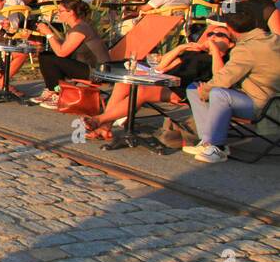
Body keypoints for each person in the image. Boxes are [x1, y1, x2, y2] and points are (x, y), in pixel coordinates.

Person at [83, 23, 236, 141]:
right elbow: (161, 66)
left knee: (142, 92)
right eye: (210, 33)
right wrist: (181, 48)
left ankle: (99, 120)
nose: (213, 37)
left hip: (187, 90)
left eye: (220, 34)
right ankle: (105, 127)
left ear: (230, 44)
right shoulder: (194, 52)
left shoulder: (227, 59)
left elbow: (220, 76)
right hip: (168, 82)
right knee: (125, 83)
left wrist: (215, 50)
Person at [182, 12, 280, 163]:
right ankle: (207, 142)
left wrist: (206, 92)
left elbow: (224, 79)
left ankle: (217, 147)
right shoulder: (272, 39)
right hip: (264, 97)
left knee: (218, 93)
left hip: (264, 104)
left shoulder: (247, 49)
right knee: (194, 88)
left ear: (231, 29)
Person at [29, 0, 110, 108]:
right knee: (46, 55)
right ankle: (53, 90)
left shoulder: (80, 29)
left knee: (49, 59)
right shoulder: (77, 27)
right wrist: (33, 37)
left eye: (61, 11)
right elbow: (62, 47)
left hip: (96, 71)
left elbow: (62, 53)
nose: (58, 13)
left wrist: (49, 33)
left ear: (71, 12)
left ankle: (56, 93)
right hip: (87, 67)